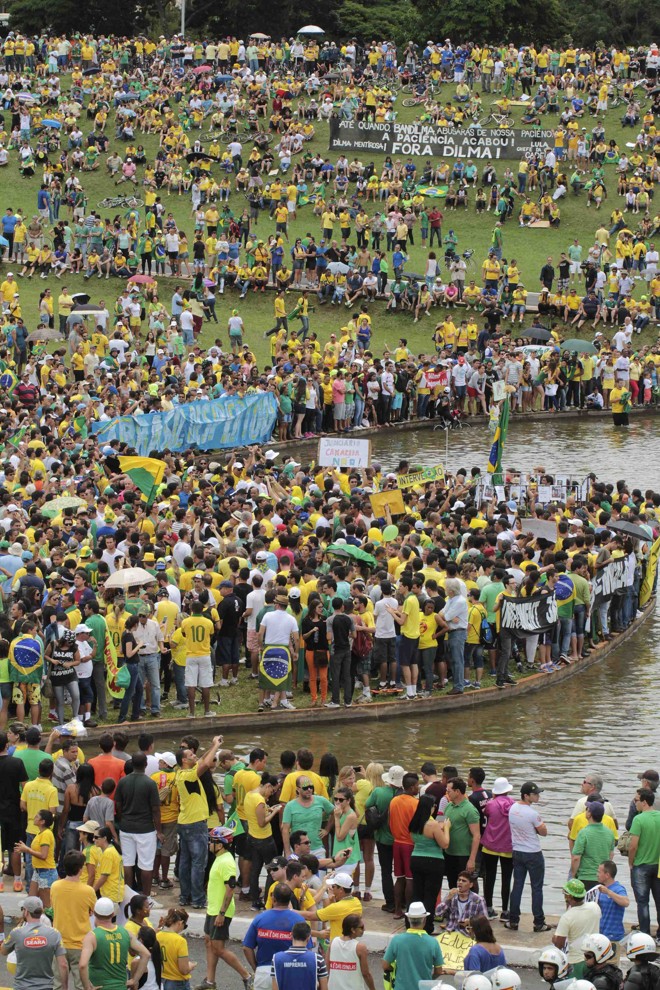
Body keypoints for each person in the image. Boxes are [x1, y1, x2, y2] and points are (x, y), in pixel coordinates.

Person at [200, 825, 253, 990]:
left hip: (220, 912)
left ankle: (247, 977)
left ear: (220, 844)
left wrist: (222, 913)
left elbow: (230, 890)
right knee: (209, 943)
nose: (209, 844)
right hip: (213, 910)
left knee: (218, 948)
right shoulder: (219, 858)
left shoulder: (227, 862)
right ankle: (210, 981)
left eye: (212, 841)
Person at [175, 735, 225, 910]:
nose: (194, 756)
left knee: (185, 862)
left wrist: (212, 745)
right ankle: (197, 899)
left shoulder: (183, 772)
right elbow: (204, 764)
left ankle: (184, 896)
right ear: (184, 760)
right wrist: (215, 746)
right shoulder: (187, 775)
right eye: (191, 755)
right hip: (195, 824)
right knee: (198, 863)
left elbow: (202, 760)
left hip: (185, 823)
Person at [505, 781, 552, 933]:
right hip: (533, 852)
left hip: (517, 851)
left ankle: (513, 920)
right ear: (526, 796)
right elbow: (544, 832)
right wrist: (538, 828)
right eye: (535, 794)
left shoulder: (512, 808)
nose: (538, 796)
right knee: (536, 888)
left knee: (517, 886)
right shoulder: (533, 813)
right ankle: (539, 922)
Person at [114, 751, 162, 895]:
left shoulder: (123, 781)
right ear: (146, 765)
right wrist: (159, 831)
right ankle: (146, 897)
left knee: (128, 863)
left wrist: (124, 819)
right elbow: (155, 810)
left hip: (126, 828)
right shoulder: (150, 783)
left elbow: (118, 805)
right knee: (146, 865)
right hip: (145, 829)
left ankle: (129, 896)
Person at [50, 850, 98, 990]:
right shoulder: (88, 891)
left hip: (59, 942)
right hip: (81, 944)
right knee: (81, 984)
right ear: (80, 869)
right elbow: (95, 910)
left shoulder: (55, 886)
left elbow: (54, 906)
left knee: (58, 984)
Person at [243, 883, 305, 990]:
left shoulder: (260, 919)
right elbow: (305, 949)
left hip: (264, 972)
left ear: (273, 898)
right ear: (289, 899)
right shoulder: (299, 920)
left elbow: (246, 947)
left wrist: (256, 968)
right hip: (290, 972)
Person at [0, 895, 68, 990]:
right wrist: (65, 987)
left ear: (26, 912)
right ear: (41, 911)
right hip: (46, 987)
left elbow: (3, 951)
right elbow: (63, 964)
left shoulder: (17, 933)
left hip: (22, 986)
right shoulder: (54, 933)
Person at [80, 898, 148, 990]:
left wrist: (87, 987)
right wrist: (134, 980)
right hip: (121, 987)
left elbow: (82, 965)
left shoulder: (92, 936)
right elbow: (146, 954)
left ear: (94, 913)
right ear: (112, 914)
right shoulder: (125, 933)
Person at [409, 793, 451, 933]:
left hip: (416, 858)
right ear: (431, 808)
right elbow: (444, 844)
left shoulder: (414, 822)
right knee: (430, 895)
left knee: (417, 893)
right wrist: (446, 828)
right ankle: (427, 926)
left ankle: (412, 922)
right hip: (433, 861)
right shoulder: (432, 824)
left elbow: (414, 840)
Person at [382, 901, 444, 990]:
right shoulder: (433, 942)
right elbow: (438, 970)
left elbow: (385, 965)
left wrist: (394, 969)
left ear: (408, 919)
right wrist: (430, 979)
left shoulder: (397, 940)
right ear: (424, 919)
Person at [628, 787, 660, 936]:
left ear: (644, 802)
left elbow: (633, 845)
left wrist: (631, 862)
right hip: (658, 865)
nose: (635, 803)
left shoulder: (638, 819)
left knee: (642, 902)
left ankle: (645, 934)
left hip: (641, 865)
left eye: (636, 800)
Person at [552, 879, 602, 976]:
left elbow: (559, 945)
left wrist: (554, 939)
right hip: (594, 959)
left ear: (569, 897)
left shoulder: (567, 917)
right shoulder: (595, 907)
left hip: (576, 962)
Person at [482, 777, 515, 920]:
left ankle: (489, 908)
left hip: (490, 845)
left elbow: (486, 815)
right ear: (507, 790)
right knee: (506, 878)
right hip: (508, 846)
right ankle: (506, 911)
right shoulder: (513, 805)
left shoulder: (490, 804)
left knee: (489, 877)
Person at [0, 728, 29, 891]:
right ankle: (18, 880)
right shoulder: (16, 762)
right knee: (16, 846)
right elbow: (24, 787)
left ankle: (0, 882)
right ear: (6, 744)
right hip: (14, 809)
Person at [444, 776, 481, 887]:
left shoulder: (470, 810)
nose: (447, 793)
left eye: (449, 791)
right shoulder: (448, 806)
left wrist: (472, 859)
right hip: (449, 853)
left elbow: (477, 835)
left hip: (463, 855)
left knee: (465, 887)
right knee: (452, 885)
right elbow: (441, 823)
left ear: (457, 791)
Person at [271, 920, 328, 990]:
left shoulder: (276, 958)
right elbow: (324, 988)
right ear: (308, 937)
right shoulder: (318, 959)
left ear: (291, 935)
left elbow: (275, 987)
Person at [571, 802, 616, 889]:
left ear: (589, 814)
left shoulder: (583, 833)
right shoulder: (610, 833)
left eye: (587, 810)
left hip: (585, 877)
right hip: (602, 879)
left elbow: (576, 858)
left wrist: (573, 875)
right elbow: (611, 855)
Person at [327, 914, 376, 990]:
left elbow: (327, 968)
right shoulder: (360, 947)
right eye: (361, 927)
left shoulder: (333, 942)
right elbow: (366, 974)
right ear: (353, 930)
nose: (364, 929)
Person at [156, 907, 197, 990]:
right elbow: (184, 970)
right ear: (180, 923)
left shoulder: (157, 936)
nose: (183, 929)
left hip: (162, 980)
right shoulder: (180, 941)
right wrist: (191, 965)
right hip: (178, 983)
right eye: (184, 926)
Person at [595, 860, 629, 945]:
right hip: (600, 935)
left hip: (614, 936)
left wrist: (608, 892)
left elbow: (626, 902)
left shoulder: (619, 888)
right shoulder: (599, 889)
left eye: (599, 872)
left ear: (607, 875)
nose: (597, 875)